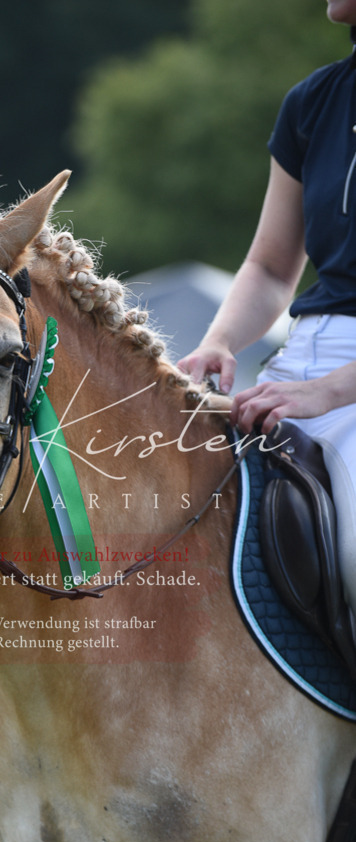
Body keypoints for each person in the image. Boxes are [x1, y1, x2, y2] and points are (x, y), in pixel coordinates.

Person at [177, 0, 356, 613]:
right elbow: (272, 266)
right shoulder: (313, 102)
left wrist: (330, 392)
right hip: (297, 358)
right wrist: (221, 340)